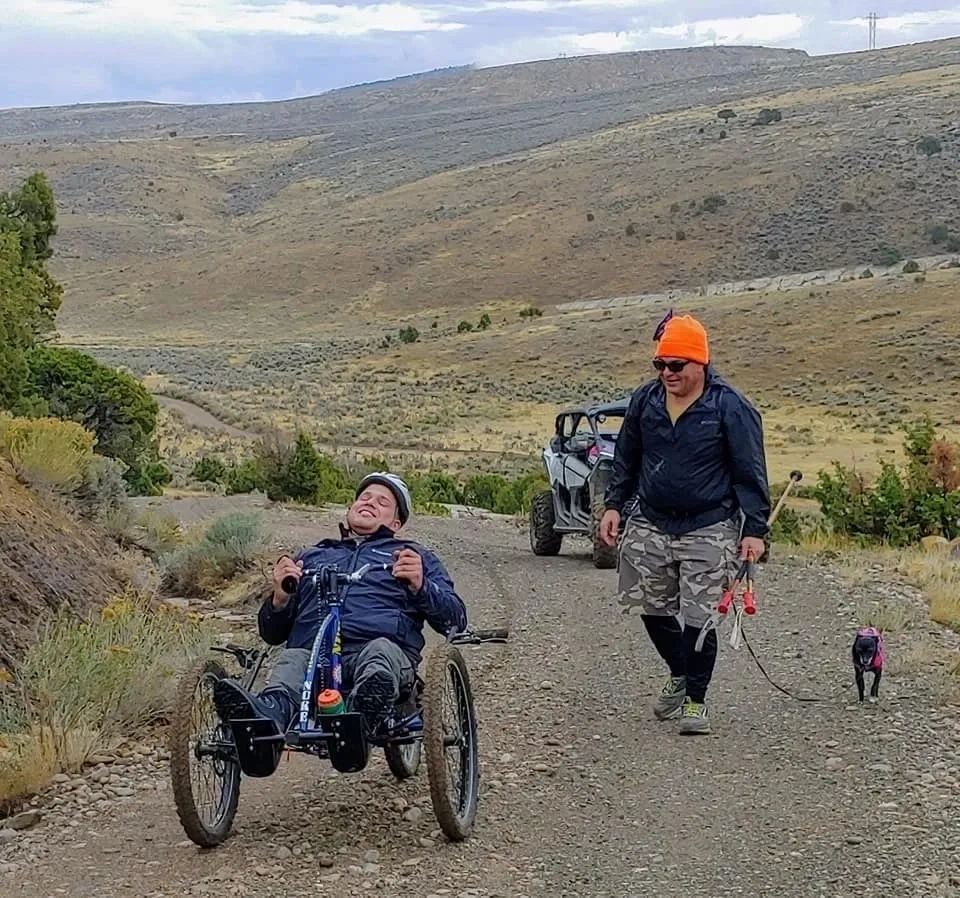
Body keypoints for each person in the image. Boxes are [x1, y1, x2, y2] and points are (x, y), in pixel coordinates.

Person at [212, 472, 468, 757]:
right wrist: (280, 599)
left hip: (378, 656)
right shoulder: (311, 556)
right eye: (364, 497)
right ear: (350, 509)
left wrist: (421, 586)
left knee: (379, 651)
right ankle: (265, 724)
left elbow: (454, 620)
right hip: (314, 661)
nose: (370, 502)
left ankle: (357, 721)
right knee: (294, 657)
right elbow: (271, 634)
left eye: (383, 501)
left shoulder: (412, 556)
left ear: (396, 523)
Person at [599, 310, 770, 736]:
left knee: (700, 617)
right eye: (660, 365)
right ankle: (681, 669)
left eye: (676, 365)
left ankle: (696, 700)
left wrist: (755, 530)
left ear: (700, 363)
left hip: (710, 526)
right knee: (648, 607)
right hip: (651, 522)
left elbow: (750, 470)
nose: (667, 373)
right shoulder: (646, 400)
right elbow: (626, 456)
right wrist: (614, 504)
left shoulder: (730, 406)